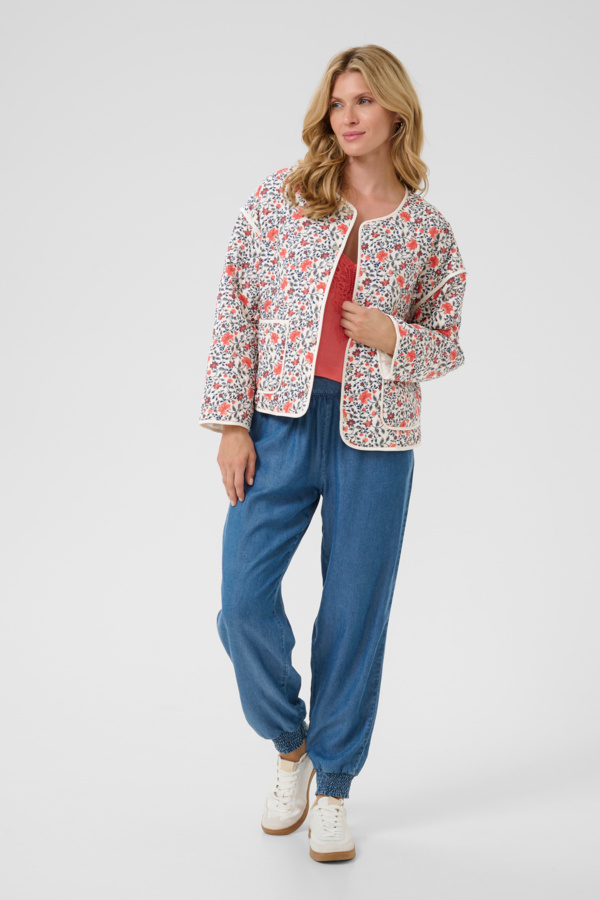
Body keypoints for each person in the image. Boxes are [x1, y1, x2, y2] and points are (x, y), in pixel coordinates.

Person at [199, 44, 468, 862]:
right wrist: (232, 424)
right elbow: (236, 300)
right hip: (278, 425)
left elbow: (449, 343)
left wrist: (393, 337)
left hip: (376, 438)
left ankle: (336, 785)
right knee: (242, 601)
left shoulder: (427, 231)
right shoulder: (282, 198)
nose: (348, 116)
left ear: (395, 113)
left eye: (364, 101)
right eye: (338, 102)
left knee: (354, 614)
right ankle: (292, 745)